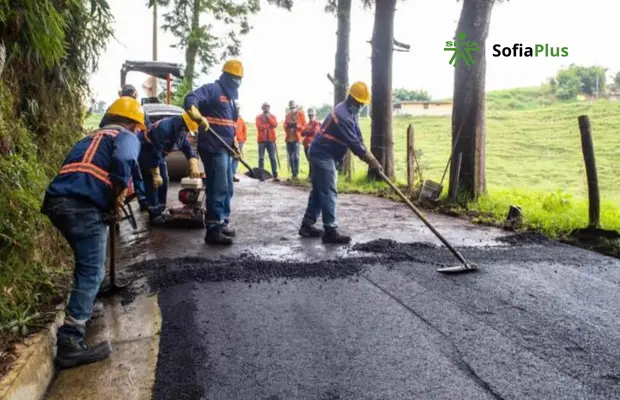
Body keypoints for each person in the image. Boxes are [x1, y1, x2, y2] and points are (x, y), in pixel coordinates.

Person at [40, 97, 144, 369]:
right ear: (133, 124)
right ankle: (70, 342)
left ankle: (85, 306)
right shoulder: (125, 136)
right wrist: (120, 190)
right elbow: (124, 160)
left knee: (86, 263)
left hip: (57, 203)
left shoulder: (90, 137)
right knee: (92, 271)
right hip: (83, 206)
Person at [298, 81, 382, 244]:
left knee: (319, 191)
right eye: (360, 103)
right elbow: (353, 142)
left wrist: (370, 154)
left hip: (325, 153)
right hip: (322, 154)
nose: (361, 106)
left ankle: (307, 225)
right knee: (329, 190)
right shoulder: (342, 115)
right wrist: (370, 159)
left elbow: (357, 135)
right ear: (352, 99)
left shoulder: (350, 112)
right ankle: (330, 231)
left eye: (363, 104)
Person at [183, 59, 243, 245]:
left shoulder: (232, 100)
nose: (237, 82)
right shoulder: (213, 89)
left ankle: (222, 221)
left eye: (239, 79)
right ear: (225, 76)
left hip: (225, 147)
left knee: (228, 188)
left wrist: (234, 144)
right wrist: (195, 112)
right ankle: (213, 229)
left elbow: (232, 125)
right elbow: (192, 97)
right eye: (234, 78)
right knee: (218, 187)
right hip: (213, 146)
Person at [138, 112, 201, 225]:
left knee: (165, 181)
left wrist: (193, 160)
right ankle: (154, 215)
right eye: (186, 129)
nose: (186, 131)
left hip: (159, 155)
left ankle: (160, 210)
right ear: (182, 124)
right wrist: (155, 173)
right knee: (153, 183)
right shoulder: (164, 128)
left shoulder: (180, 130)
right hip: (147, 152)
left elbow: (185, 144)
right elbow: (156, 151)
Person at [102, 84, 151, 212]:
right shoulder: (138, 108)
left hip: (112, 143)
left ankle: (134, 197)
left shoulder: (113, 106)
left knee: (130, 169)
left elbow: (102, 125)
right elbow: (147, 128)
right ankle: (140, 198)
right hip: (127, 144)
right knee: (134, 170)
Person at [255, 102, 279, 182]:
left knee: (272, 157)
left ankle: (275, 175)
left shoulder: (272, 116)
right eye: (264, 107)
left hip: (271, 140)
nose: (266, 108)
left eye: (267, 107)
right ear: (262, 108)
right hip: (261, 140)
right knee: (261, 158)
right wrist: (268, 125)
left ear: (269, 108)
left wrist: (268, 119)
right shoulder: (258, 117)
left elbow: (275, 124)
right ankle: (261, 175)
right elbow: (259, 127)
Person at [283, 100, 306, 180]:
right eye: (291, 107)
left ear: (296, 107)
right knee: (290, 157)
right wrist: (287, 126)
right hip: (289, 138)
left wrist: (297, 126)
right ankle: (293, 173)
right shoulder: (288, 115)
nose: (292, 109)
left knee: (296, 156)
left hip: (297, 138)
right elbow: (284, 125)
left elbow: (304, 126)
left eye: (293, 107)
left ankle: (296, 174)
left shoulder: (301, 114)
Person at [301, 107, 321, 179]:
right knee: (309, 160)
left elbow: (315, 132)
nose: (310, 116)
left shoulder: (317, 123)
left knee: (312, 161)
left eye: (312, 115)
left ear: (315, 115)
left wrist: (307, 131)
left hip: (312, 145)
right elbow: (302, 133)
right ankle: (311, 175)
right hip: (306, 144)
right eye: (309, 115)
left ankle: (313, 176)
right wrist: (307, 131)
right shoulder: (307, 124)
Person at [232, 101, 247, 182]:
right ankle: (229, 175)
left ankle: (233, 174)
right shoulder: (229, 116)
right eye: (236, 108)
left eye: (238, 108)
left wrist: (243, 139)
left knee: (237, 158)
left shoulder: (241, 119)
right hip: (231, 141)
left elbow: (245, 129)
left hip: (240, 141)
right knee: (230, 157)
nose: (237, 110)